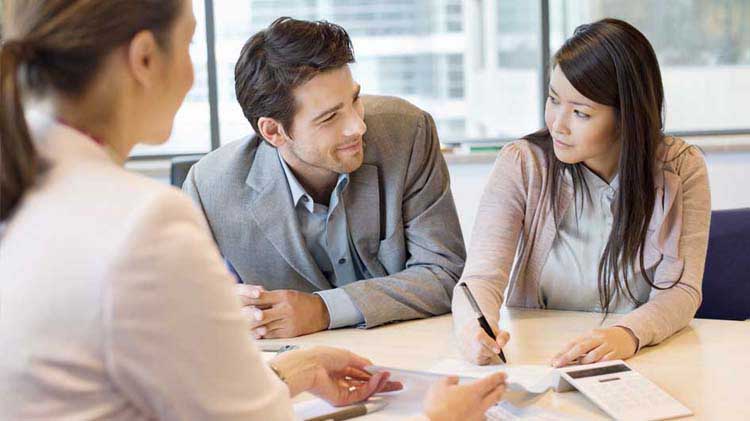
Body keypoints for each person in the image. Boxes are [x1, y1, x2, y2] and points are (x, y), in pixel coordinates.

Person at [0, 1, 505, 419]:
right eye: (191, 43)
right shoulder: (147, 219)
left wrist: (295, 372)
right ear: (146, 59)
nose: (357, 126)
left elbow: (176, 391)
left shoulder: (31, 189)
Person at [183, 17, 466, 339]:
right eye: (330, 117)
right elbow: (182, 307)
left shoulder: (406, 134)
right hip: (297, 368)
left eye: (355, 100)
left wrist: (323, 309)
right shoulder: (210, 187)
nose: (357, 126)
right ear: (273, 131)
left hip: (411, 347)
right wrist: (219, 307)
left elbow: (446, 273)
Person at [452, 18, 711, 367]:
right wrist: (474, 328)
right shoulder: (523, 163)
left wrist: (627, 334)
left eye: (580, 113)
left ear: (627, 117)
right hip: (540, 356)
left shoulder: (681, 167)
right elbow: (481, 277)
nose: (557, 124)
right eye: (553, 100)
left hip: (641, 356)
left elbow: (682, 290)